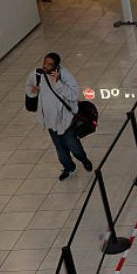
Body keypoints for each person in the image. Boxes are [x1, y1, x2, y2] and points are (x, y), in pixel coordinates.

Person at [27, 52, 91, 181]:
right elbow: (29, 89)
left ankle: (83, 159)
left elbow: (73, 95)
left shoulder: (65, 76)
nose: (46, 66)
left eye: (50, 64)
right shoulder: (37, 75)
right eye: (45, 62)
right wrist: (32, 92)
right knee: (60, 149)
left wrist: (58, 83)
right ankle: (69, 167)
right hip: (50, 121)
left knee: (74, 146)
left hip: (65, 119)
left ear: (56, 66)